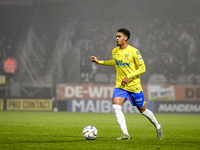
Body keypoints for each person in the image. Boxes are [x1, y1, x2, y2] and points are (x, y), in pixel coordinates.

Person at [91, 28, 163, 140]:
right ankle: (125, 133)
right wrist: (99, 62)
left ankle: (157, 126)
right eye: (116, 37)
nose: (116, 38)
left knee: (143, 110)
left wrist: (129, 77)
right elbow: (115, 62)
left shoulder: (134, 51)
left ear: (126, 38)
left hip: (134, 86)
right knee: (116, 106)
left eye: (119, 36)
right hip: (120, 86)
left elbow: (143, 68)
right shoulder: (115, 51)